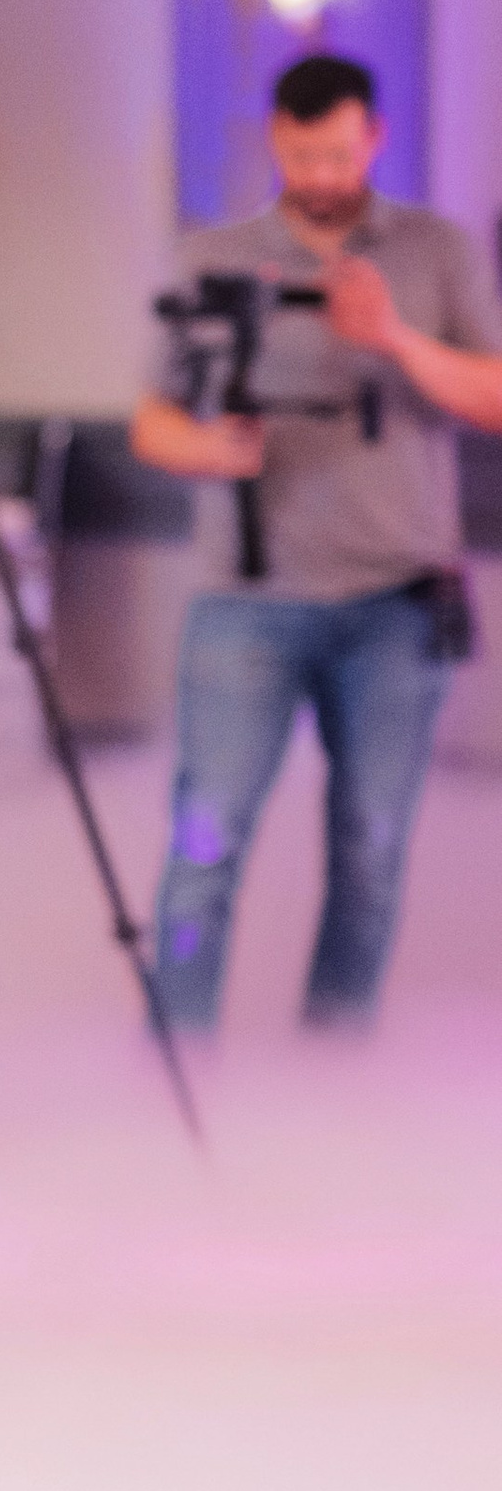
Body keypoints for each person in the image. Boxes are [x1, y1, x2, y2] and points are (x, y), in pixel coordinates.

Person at [131, 51, 502, 1030]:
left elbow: (493, 396)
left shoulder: (436, 252)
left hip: (395, 602)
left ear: (373, 137)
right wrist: (211, 449)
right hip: (244, 600)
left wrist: (394, 339)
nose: (324, 177)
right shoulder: (212, 257)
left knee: (371, 851)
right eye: (303, 157)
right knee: (201, 846)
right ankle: (173, 1074)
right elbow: (150, 422)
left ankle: (332, 1077)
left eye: (340, 154)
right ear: (274, 144)